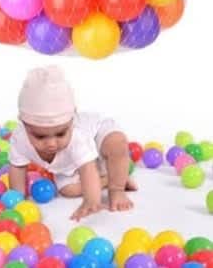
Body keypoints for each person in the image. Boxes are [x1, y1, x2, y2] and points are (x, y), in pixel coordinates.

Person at [9, 65, 137, 221]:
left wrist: (91, 201)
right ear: (24, 125)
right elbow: (17, 167)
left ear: (72, 120)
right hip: (71, 165)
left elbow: (87, 168)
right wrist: (17, 200)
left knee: (117, 144)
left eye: (60, 133)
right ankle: (111, 178)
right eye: (40, 137)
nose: (51, 144)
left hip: (97, 140)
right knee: (68, 190)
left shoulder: (77, 135)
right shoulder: (20, 138)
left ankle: (117, 188)